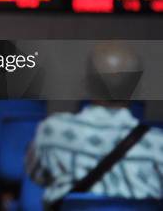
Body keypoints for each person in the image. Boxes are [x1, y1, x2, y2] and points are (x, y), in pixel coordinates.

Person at [26, 41, 163, 207]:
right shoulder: (158, 145)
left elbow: (37, 177)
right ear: (138, 90)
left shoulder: (51, 131)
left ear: (86, 84)